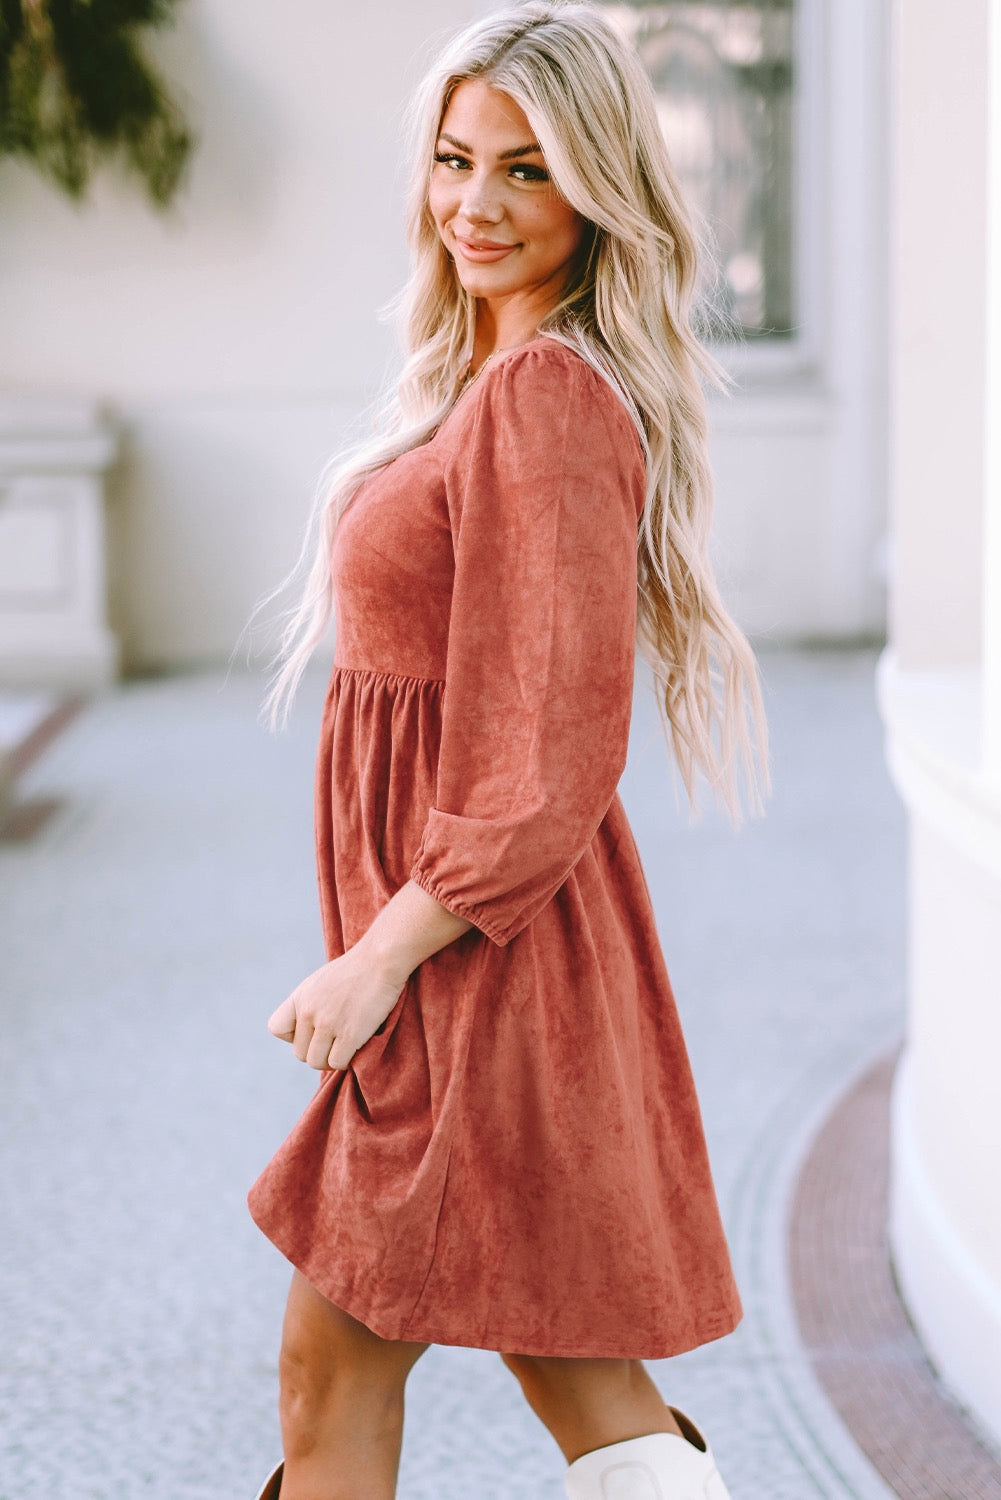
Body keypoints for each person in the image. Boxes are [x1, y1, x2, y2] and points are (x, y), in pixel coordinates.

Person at [247, 4, 770, 1497]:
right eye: (453, 159)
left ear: (597, 186)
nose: (474, 205)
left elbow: (546, 757)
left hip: (476, 955)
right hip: (460, 951)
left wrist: (376, 959)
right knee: (573, 1369)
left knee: (339, 1357)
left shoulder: (544, 399)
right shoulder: (485, 379)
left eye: (527, 171)